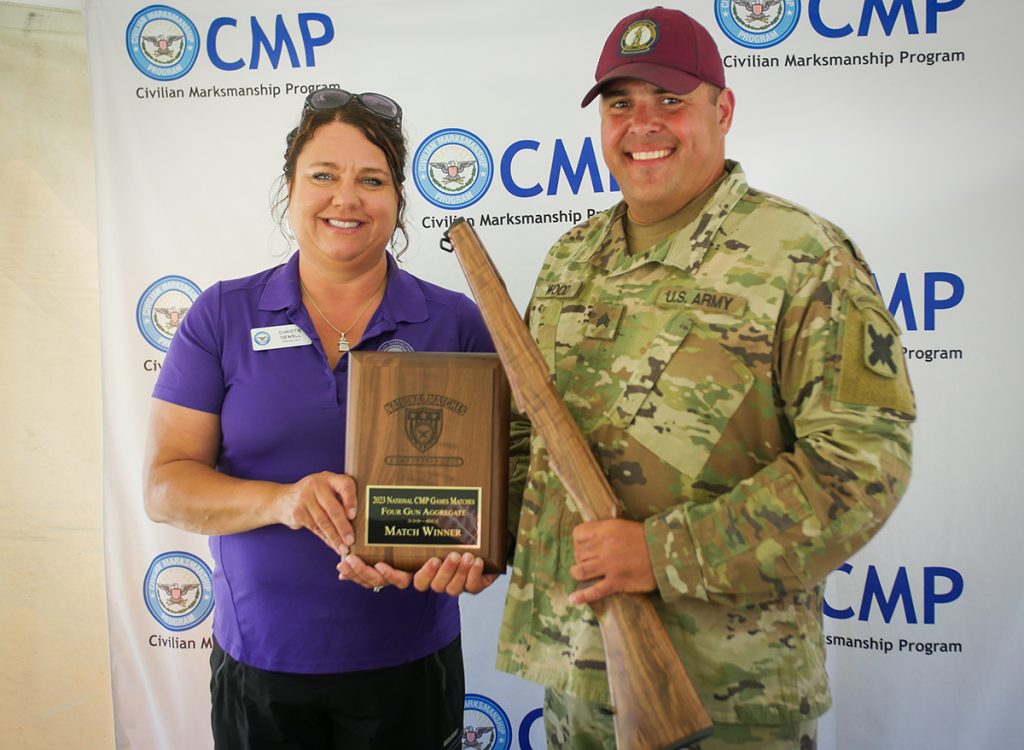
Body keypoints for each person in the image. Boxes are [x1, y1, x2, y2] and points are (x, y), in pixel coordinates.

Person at [496, 8, 916, 750]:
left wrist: (660, 554)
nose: (642, 124)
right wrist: (462, 537)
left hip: (727, 700)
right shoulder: (571, 258)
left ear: (721, 111)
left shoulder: (804, 257)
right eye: (621, 104)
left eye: (670, 102)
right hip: (573, 678)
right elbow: (530, 446)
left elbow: (861, 466)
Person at [143, 87, 495, 750]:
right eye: (323, 176)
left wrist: (466, 555)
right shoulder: (222, 316)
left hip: (410, 667)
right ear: (290, 186)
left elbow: (497, 496)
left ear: (398, 197)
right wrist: (285, 502)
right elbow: (165, 486)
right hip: (262, 673)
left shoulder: (456, 322)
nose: (346, 199)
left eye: (371, 179)